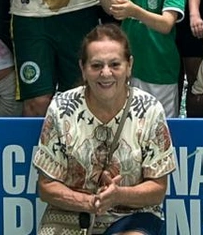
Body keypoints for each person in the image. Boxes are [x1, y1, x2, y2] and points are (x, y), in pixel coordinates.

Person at [34, 25, 176, 235]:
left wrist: (118, 195)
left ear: (129, 66)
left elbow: (158, 189)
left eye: (115, 64)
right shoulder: (61, 108)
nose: (106, 73)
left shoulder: (150, 109)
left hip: (133, 215)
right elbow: (46, 187)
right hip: (71, 215)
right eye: (96, 65)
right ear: (83, 68)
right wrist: (91, 202)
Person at [92, 0, 187, 118]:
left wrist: (135, 11)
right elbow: (114, 9)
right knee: (129, 122)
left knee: (160, 124)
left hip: (160, 72)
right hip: (130, 69)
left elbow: (166, 24)